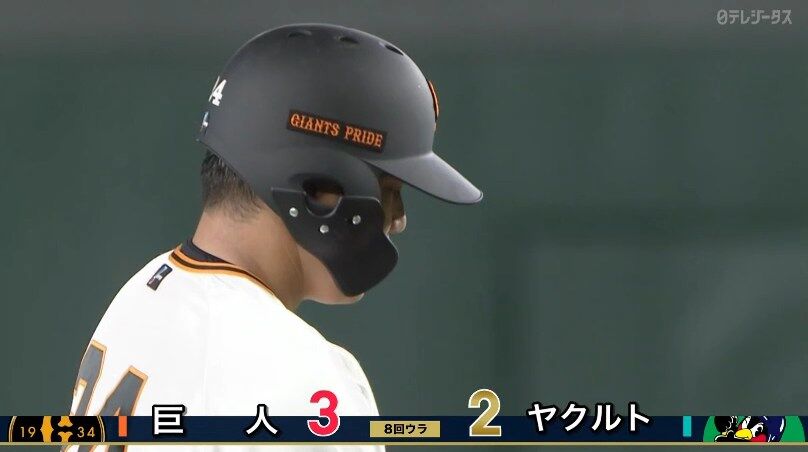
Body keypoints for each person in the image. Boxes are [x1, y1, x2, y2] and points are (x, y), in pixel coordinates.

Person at [66, 23, 481, 451]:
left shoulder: (144, 293)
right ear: (319, 187)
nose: (398, 218)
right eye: (390, 190)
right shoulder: (295, 375)